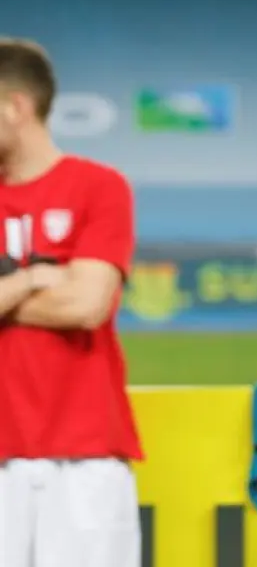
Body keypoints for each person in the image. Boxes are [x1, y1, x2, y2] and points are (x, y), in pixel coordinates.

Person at [0, 38, 142, 567]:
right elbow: (71, 295)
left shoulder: (98, 186)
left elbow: (86, 304)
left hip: (85, 458)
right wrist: (36, 278)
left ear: (15, 106)